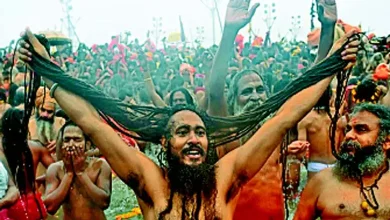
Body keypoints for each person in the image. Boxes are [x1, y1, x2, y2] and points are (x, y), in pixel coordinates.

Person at [18, 8, 358, 219]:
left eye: (199, 132)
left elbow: (287, 114)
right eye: (183, 132)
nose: (194, 139)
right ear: (165, 142)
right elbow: (91, 123)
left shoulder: (225, 178)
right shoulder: (151, 182)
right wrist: (46, 70)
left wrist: (333, 63)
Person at [206, 0, 338, 219]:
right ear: (234, 100)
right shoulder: (228, 136)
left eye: (260, 90)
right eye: (247, 91)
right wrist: (229, 32)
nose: (255, 96)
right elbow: (215, 93)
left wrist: (328, 29)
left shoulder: (276, 129)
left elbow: (314, 82)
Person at [294, 103, 390, 219]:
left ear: (386, 142)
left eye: (361, 129)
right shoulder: (321, 181)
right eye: (348, 129)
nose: (349, 135)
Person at [44, 121, 112, 220]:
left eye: (77, 139)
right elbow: (50, 207)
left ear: (87, 144)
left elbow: (104, 202)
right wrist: (69, 174)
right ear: (61, 144)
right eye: (66, 140)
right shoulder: (55, 169)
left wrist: (81, 173)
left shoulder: (100, 165)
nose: (71, 145)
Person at [1, 108, 48, 219]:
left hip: (12, 207)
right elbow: (59, 169)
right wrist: (44, 177)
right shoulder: (36, 147)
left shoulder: (1, 150)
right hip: (36, 203)